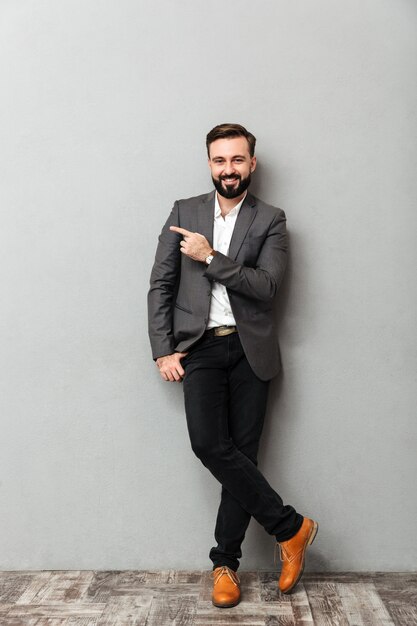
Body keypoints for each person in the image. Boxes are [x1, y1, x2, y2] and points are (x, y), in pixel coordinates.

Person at [147, 123, 318, 608]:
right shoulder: (185, 211)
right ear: (209, 163)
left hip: (251, 350)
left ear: (252, 164)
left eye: (237, 160)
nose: (229, 169)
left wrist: (210, 256)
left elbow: (266, 287)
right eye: (220, 160)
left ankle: (225, 564)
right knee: (210, 445)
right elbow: (160, 284)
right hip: (198, 348)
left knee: (241, 456)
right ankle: (292, 528)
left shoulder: (271, 219)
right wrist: (163, 348)